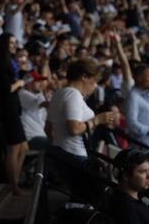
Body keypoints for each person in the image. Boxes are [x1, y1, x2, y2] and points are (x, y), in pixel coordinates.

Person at [46, 59, 117, 199]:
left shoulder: (59, 93)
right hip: (75, 156)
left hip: (61, 153)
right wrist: (98, 119)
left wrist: (60, 144)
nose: (95, 86)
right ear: (84, 76)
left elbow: (48, 128)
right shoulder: (73, 95)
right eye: (94, 80)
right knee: (86, 199)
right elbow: (74, 128)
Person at [0, 32, 28, 196]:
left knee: (23, 147)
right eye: (11, 43)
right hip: (7, 107)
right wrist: (19, 82)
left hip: (13, 105)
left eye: (15, 42)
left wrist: (21, 74)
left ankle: (15, 180)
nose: (14, 45)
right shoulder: (1, 61)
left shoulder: (8, 60)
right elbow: (6, 88)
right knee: (14, 148)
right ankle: (13, 186)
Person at [107, 149, 149, 224]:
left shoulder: (118, 198)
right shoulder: (129, 210)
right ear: (126, 176)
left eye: (148, 171)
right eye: (143, 172)